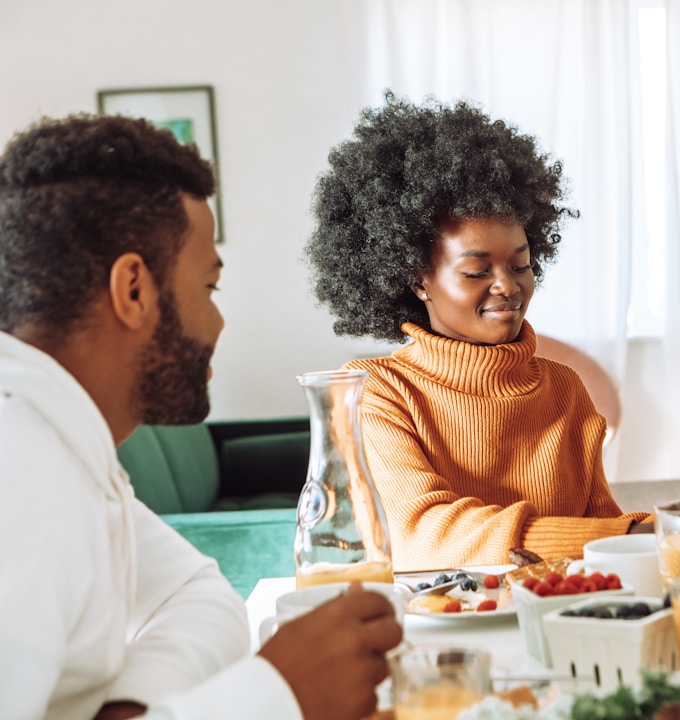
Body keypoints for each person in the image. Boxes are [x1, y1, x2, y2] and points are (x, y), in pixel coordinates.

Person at [0, 114, 402, 720]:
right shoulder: (20, 472)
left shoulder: (65, 451)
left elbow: (200, 593)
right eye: (209, 286)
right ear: (134, 290)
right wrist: (277, 695)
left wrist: (129, 710)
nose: (217, 324)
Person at [304, 92, 652, 572]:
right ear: (416, 278)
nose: (508, 286)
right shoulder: (378, 391)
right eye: (475, 272)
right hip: (445, 631)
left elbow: (601, 533)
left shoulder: (565, 389)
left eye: (521, 264)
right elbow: (423, 534)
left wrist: (651, 537)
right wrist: (626, 534)